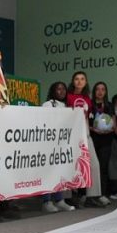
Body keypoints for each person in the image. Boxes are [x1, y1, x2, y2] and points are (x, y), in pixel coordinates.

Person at [65, 71, 104, 208]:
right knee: (69, 165)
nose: (79, 81)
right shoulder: (67, 96)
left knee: (94, 164)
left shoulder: (88, 99)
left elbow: (88, 117)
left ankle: (92, 196)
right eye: (76, 79)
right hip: (70, 135)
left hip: (85, 134)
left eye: (82, 79)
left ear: (86, 82)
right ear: (73, 81)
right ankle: (67, 197)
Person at [40, 81, 77, 213]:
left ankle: (59, 200)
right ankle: (47, 201)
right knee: (48, 173)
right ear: (52, 91)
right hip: (49, 144)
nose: (61, 92)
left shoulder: (68, 106)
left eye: (63, 89)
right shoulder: (48, 104)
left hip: (63, 145)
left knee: (59, 173)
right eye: (58, 89)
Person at [88, 81, 115, 207]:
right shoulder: (89, 104)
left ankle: (102, 194)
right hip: (93, 138)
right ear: (94, 91)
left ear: (106, 91)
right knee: (93, 167)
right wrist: (94, 129)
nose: (100, 92)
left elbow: (113, 123)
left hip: (106, 139)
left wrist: (110, 128)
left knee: (103, 167)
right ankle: (90, 195)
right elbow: (86, 122)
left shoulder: (109, 105)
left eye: (103, 89)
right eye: (97, 89)